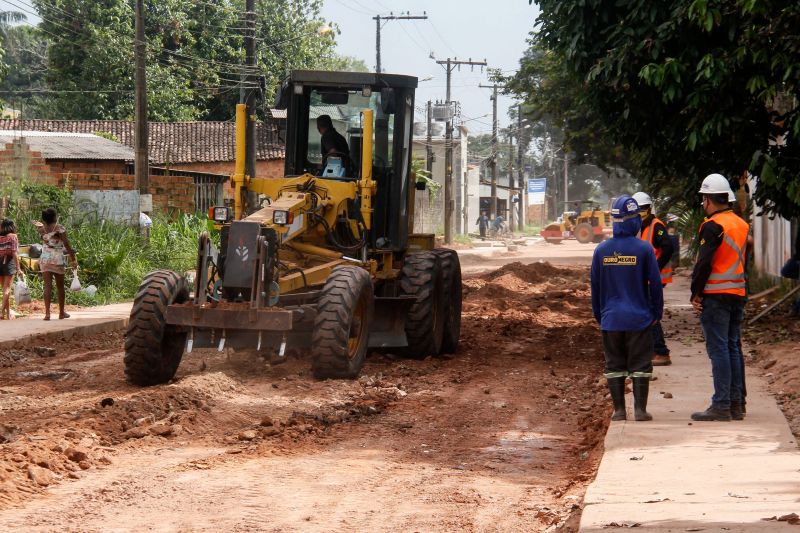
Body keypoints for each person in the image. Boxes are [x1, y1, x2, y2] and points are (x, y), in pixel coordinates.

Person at [591, 195, 664, 422]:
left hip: (611, 319)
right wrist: (656, 314)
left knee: (615, 364)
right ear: (633, 220)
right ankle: (640, 411)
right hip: (639, 319)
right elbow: (656, 285)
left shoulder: (601, 251)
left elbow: (595, 288)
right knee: (641, 363)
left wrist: (600, 316)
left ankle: (619, 411)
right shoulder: (643, 249)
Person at [690, 174, 749, 422]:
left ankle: (721, 404)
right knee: (733, 347)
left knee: (719, 350)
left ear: (707, 199)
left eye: (703, 198)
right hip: (737, 293)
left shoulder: (712, 226)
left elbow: (704, 263)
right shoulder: (741, 224)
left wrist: (696, 292)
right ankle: (736, 404)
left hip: (715, 296)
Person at [633, 191, 674, 366]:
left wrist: (654, 269)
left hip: (653, 280)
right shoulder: (641, 227)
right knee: (646, 314)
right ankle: (652, 350)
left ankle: (660, 351)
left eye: (643, 209)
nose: (640, 212)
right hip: (646, 279)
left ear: (650, 209)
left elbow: (668, 247)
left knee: (651, 315)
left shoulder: (656, 226)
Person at [34, 208, 77, 321]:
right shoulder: (59, 228)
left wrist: (40, 229)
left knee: (47, 286)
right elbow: (66, 243)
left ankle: (47, 314)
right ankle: (61, 313)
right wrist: (73, 259)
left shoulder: (42, 229)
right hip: (57, 258)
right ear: (55, 217)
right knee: (60, 287)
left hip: (45, 258)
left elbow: (45, 241)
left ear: (44, 219)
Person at [0, 218, 20, 320]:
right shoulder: (13, 237)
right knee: (7, 289)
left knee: (5, 290)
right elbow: (14, 253)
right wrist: (19, 268)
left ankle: (8, 315)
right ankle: (1, 312)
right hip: (8, 262)